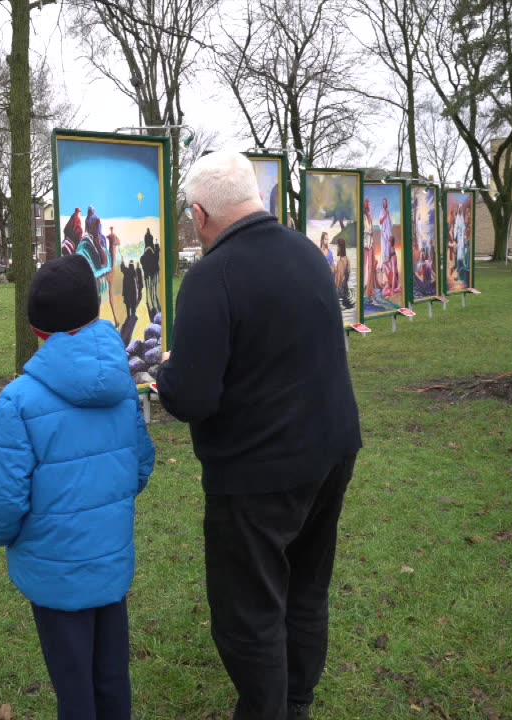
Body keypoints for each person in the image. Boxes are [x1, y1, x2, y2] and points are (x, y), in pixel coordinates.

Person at [155, 151, 361, 720]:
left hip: (257, 472)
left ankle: (270, 709)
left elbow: (192, 397)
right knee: (305, 586)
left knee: (249, 609)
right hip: (330, 448)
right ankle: (296, 701)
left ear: (199, 213)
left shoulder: (211, 276)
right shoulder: (306, 253)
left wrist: (165, 371)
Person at [0, 254, 155, 720]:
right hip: (110, 561)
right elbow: (140, 467)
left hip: (53, 572)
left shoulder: (17, 401)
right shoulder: (123, 385)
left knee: (74, 688)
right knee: (112, 678)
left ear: (40, 333)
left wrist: (6, 536)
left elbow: (3, 503)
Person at [140, 230, 161, 319]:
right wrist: (156, 247)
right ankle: (153, 301)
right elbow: (157, 256)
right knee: (153, 287)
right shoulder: (154, 254)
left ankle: (150, 302)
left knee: (149, 287)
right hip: (154, 271)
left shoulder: (143, 257)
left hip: (147, 273)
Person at [334, 238, 353, 310]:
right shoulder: (347, 259)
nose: (336, 249)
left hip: (340, 291)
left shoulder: (340, 262)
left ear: (340, 248)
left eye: (337, 247)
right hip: (346, 289)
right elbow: (348, 272)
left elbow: (339, 280)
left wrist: (334, 288)